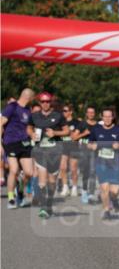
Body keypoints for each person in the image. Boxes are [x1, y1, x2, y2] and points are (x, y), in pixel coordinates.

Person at [88, 108, 119, 220]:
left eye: (109, 116)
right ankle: (106, 210)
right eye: (105, 116)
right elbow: (89, 143)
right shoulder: (96, 129)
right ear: (102, 117)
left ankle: (114, 198)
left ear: (113, 117)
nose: (107, 119)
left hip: (116, 163)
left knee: (115, 190)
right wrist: (92, 146)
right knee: (104, 188)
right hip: (101, 162)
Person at [29, 91, 69, 219]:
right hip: (40, 151)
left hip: (55, 152)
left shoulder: (58, 116)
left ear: (51, 102)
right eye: (43, 101)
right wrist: (31, 134)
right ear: (39, 103)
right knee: (42, 181)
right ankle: (43, 207)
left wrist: (55, 133)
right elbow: (29, 127)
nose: (45, 104)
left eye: (47, 101)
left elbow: (67, 131)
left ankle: (49, 204)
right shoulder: (34, 116)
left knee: (52, 181)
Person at [2, 88, 36, 209]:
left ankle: (20, 190)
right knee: (14, 169)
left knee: (29, 172)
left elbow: (28, 128)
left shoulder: (28, 110)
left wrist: (32, 134)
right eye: (33, 98)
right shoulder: (12, 106)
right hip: (11, 142)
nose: (33, 100)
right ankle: (11, 199)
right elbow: (1, 123)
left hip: (25, 143)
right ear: (28, 97)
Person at [74, 106, 98, 204]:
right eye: (89, 112)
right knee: (85, 172)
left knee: (93, 171)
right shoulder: (82, 124)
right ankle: (84, 191)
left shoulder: (98, 125)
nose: (91, 114)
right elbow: (74, 137)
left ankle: (91, 193)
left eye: (92, 112)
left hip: (94, 151)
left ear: (95, 114)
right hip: (84, 151)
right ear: (86, 114)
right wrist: (84, 133)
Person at [59, 103, 81, 197]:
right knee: (62, 167)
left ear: (70, 112)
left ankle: (74, 187)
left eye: (65, 111)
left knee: (73, 169)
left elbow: (75, 136)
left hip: (74, 147)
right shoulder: (60, 122)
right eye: (62, 111)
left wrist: (68, 131)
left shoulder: (77, 122)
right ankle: (65, 187)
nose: (63, 112)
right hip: (63, 147)